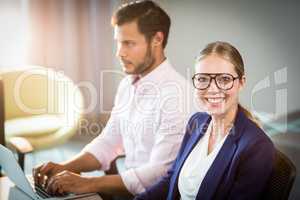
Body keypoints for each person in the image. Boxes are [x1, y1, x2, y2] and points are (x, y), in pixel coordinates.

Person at [33, 0, 194, 198]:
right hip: (128, 191)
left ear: (157, 39)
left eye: (129, 43)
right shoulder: (128, 84)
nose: (119, 52)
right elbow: (109, 142)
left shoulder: (177, 96)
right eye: (118, 42)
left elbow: (157, 176)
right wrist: (66, 166)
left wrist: (87, 183)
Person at [135, 41, 275, 200]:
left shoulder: (257, 147)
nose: (213, 89)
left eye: (224, 79)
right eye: (203, 79)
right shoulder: (196, 122)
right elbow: (170, 180)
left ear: (241, 83)